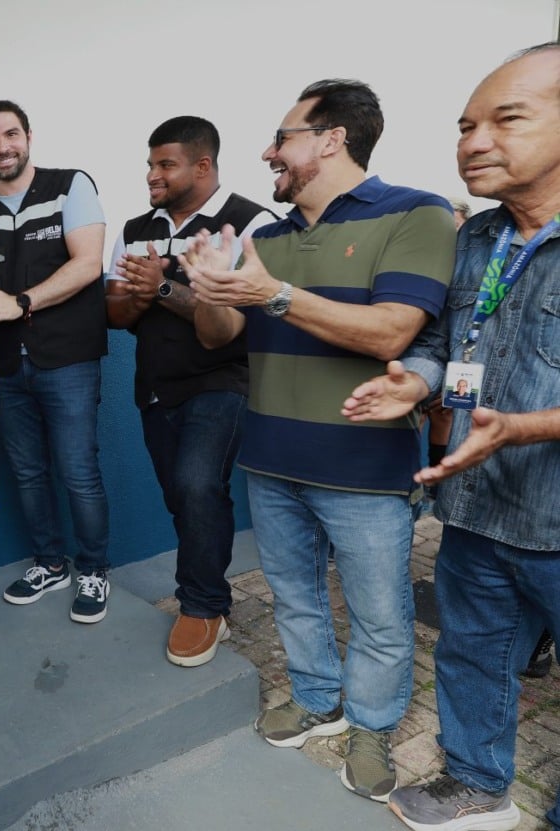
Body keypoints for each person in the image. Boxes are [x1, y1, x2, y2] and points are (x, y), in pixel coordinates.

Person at [181, 79, 455, 802]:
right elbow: (220, 336)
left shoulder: (416, 213)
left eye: (283, 137)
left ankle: (372, 723)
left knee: (379, 615)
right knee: (295, 598)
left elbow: (393, 331)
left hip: (364, 466)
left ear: (332, 139)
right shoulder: (265, 239)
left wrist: (270, 294)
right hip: (271, 461)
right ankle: (315, 697)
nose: (268, 152)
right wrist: (211, 291)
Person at [343, 43, 560, 830]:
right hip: (474, 506)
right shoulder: (475, 238)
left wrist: (526, 426)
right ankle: (475, 782)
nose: (473, 141)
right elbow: (442, 344)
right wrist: (415, 380)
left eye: (506, 119)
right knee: (471, 653)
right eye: (465, 126)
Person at [105, 116, 275, 666]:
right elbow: (115, 313)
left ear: (202, 166)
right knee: (183, 495)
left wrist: (160, 286)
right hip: (156, 385)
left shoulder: (251, 223)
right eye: (150, 164)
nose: (152, 175)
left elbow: (243, 317)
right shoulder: (136, 228)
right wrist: (141, 293)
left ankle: (201, 605)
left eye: (165, 164)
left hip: (223, 379)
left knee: (198, 484)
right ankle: (209, 590)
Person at [0, 100, 111, 623]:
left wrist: (20, 303)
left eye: (10, 135)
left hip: (68, 359)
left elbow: (88, 264)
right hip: (6, 366)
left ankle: (93, 569)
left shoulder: (70, 186)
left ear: (28, 137)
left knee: (78, 472)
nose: (3, 147)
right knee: (26, 471)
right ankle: (50, 563)